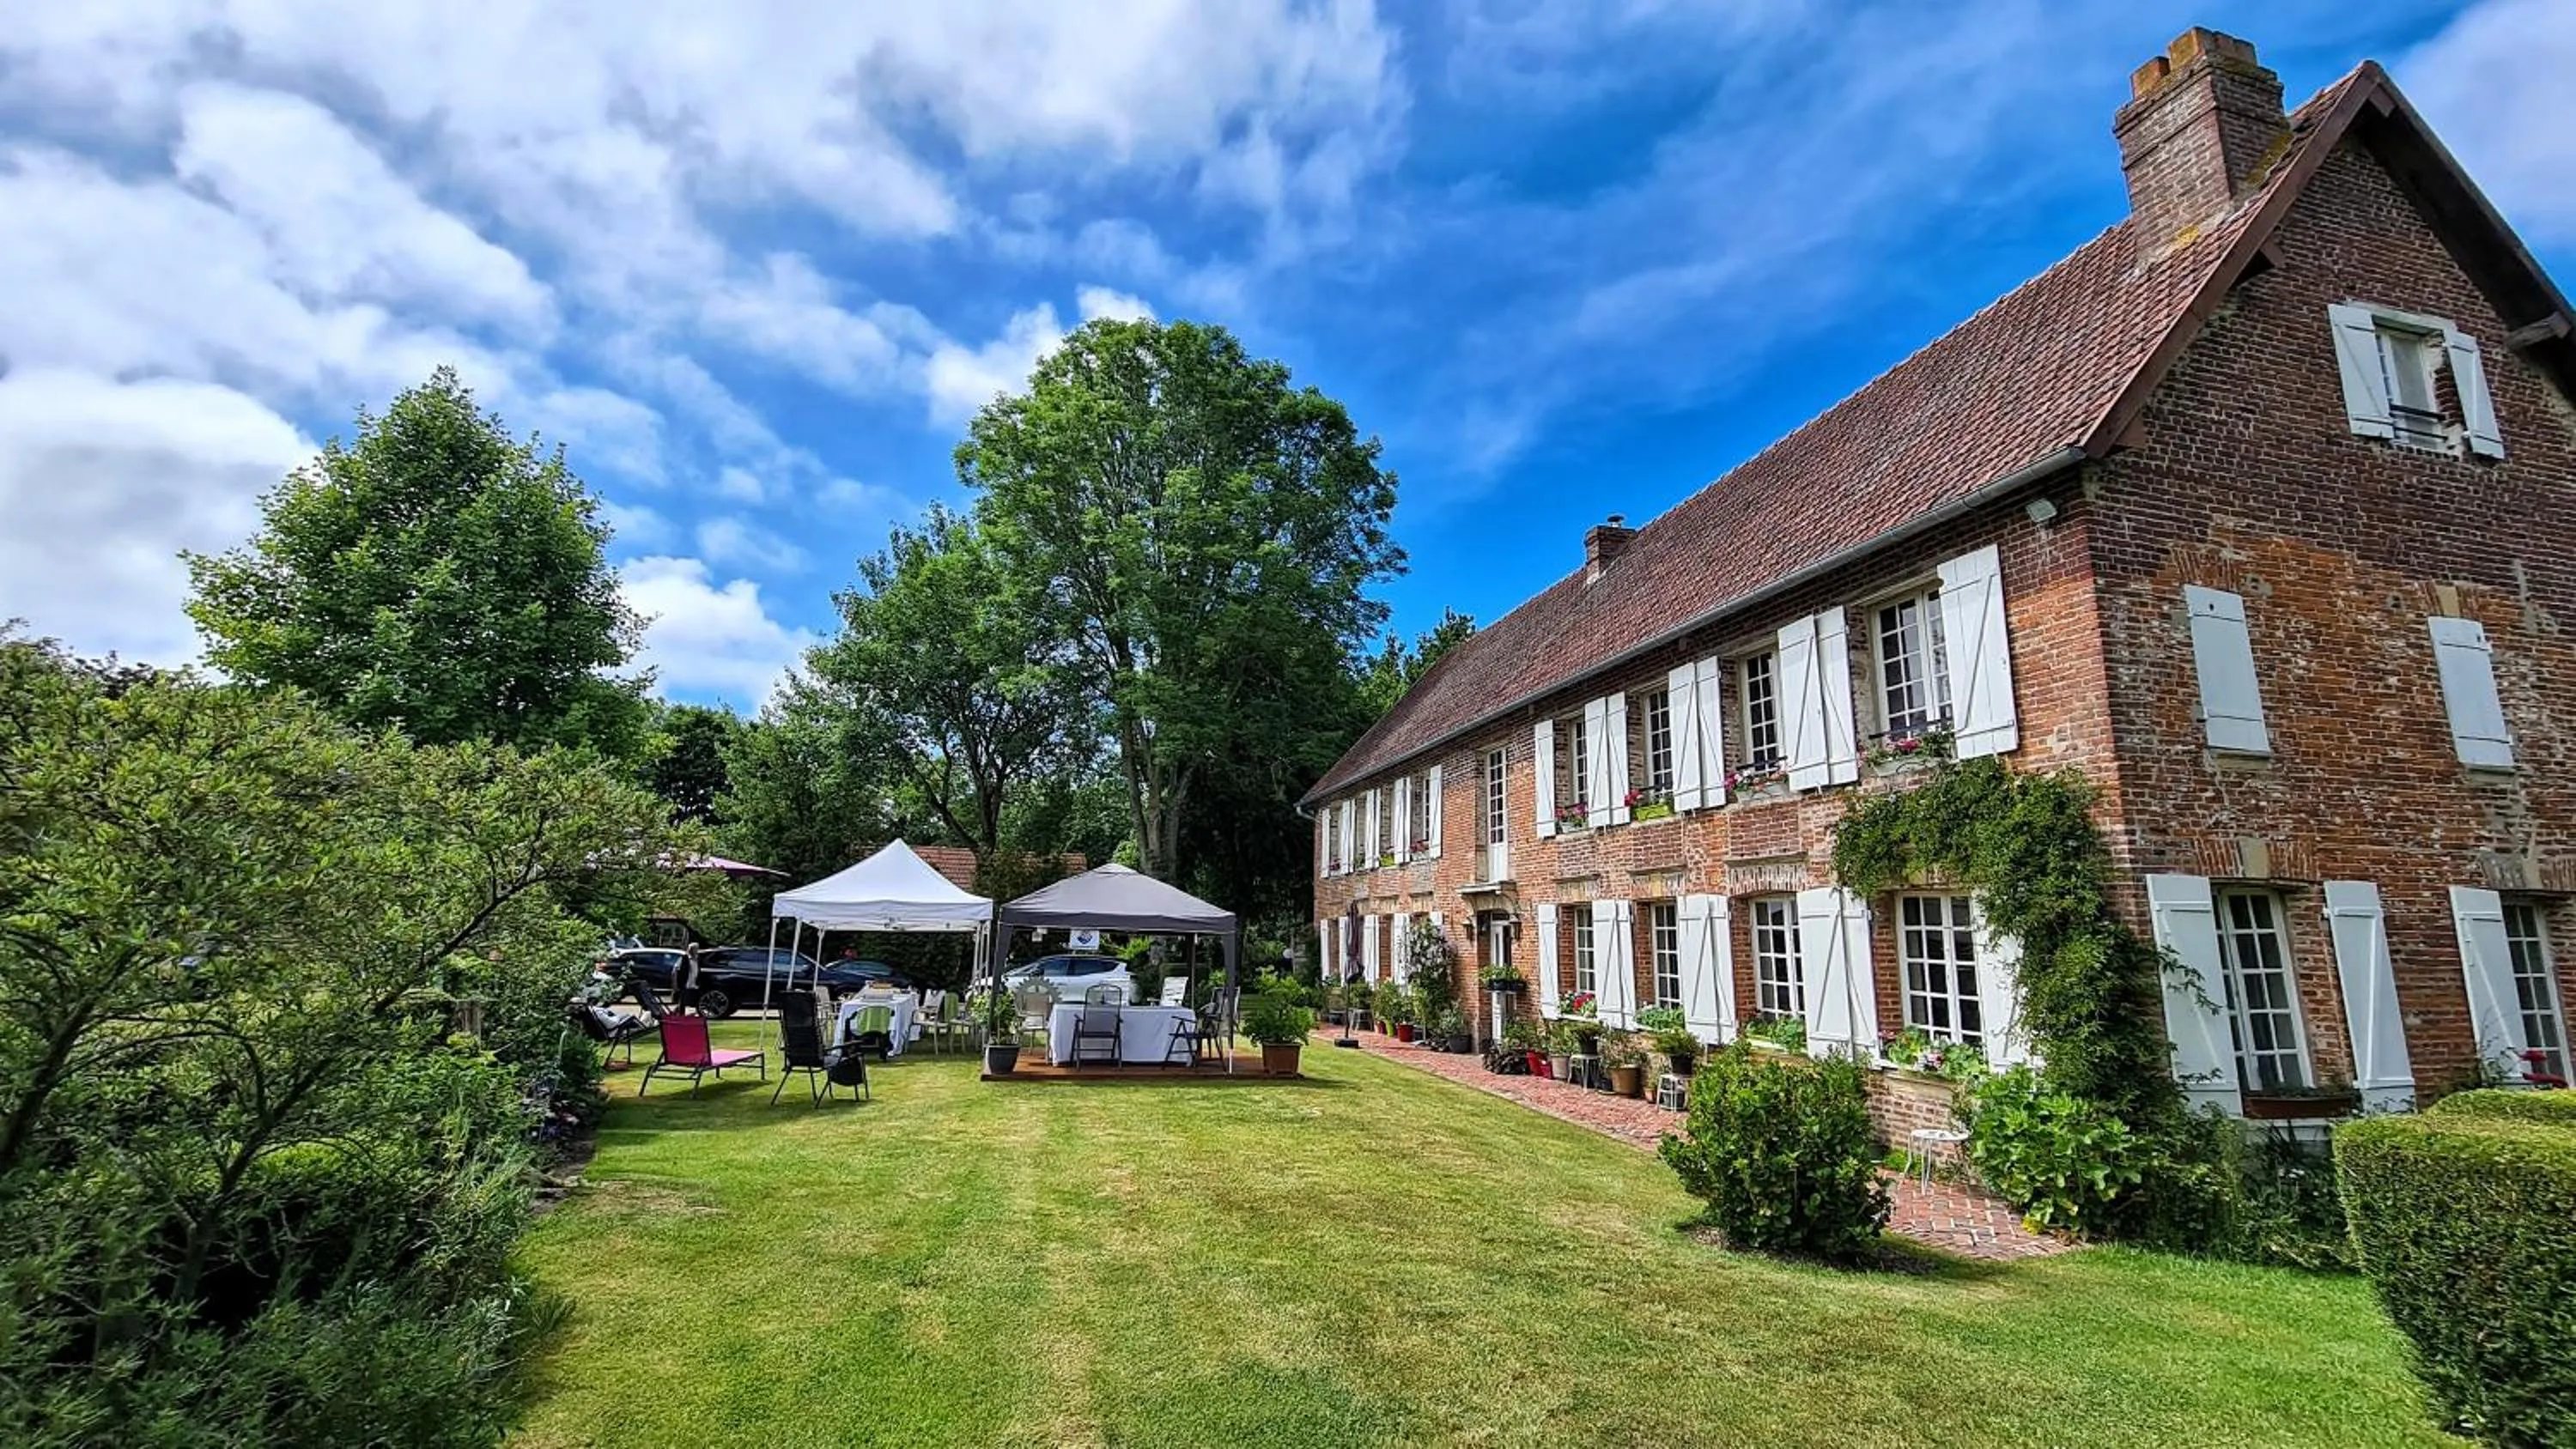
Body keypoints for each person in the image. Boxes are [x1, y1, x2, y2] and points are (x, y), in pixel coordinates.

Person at [677, 943, 704, 1014]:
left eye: (697, 949)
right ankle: (680, 1015)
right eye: (695, 949)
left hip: (694, 983)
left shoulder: (698, 959)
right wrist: (676, 983)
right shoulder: (684, 958)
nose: (696, 951)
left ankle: (697, 1015)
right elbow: (677, 970)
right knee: (683, 1001)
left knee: (695, 1000)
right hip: (686, 982)